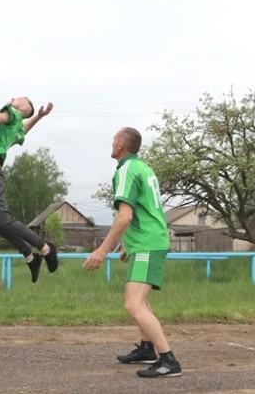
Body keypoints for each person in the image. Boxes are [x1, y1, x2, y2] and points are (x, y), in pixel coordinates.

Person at [83, 128, 182, 378]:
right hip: (147, 242)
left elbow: (125, 216)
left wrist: (103, 249)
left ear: (120, 145)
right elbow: (145, 211)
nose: (112, 143)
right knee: (141, 301)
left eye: (114, 139)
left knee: (133, 304)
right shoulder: (143, 168)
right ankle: (147, 349)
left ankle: (168, 361)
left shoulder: (126, 170)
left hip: (148, 244)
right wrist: (128, 245)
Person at [0, 97, 58, 282]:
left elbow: (1, 117)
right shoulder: (14, 127)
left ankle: (45, 248)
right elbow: (22, 129)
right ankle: (30, 257)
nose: (14, 98)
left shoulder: (12, 113)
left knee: (4, 219)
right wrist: (39, 116)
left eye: (21, 99)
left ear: (24, 107)